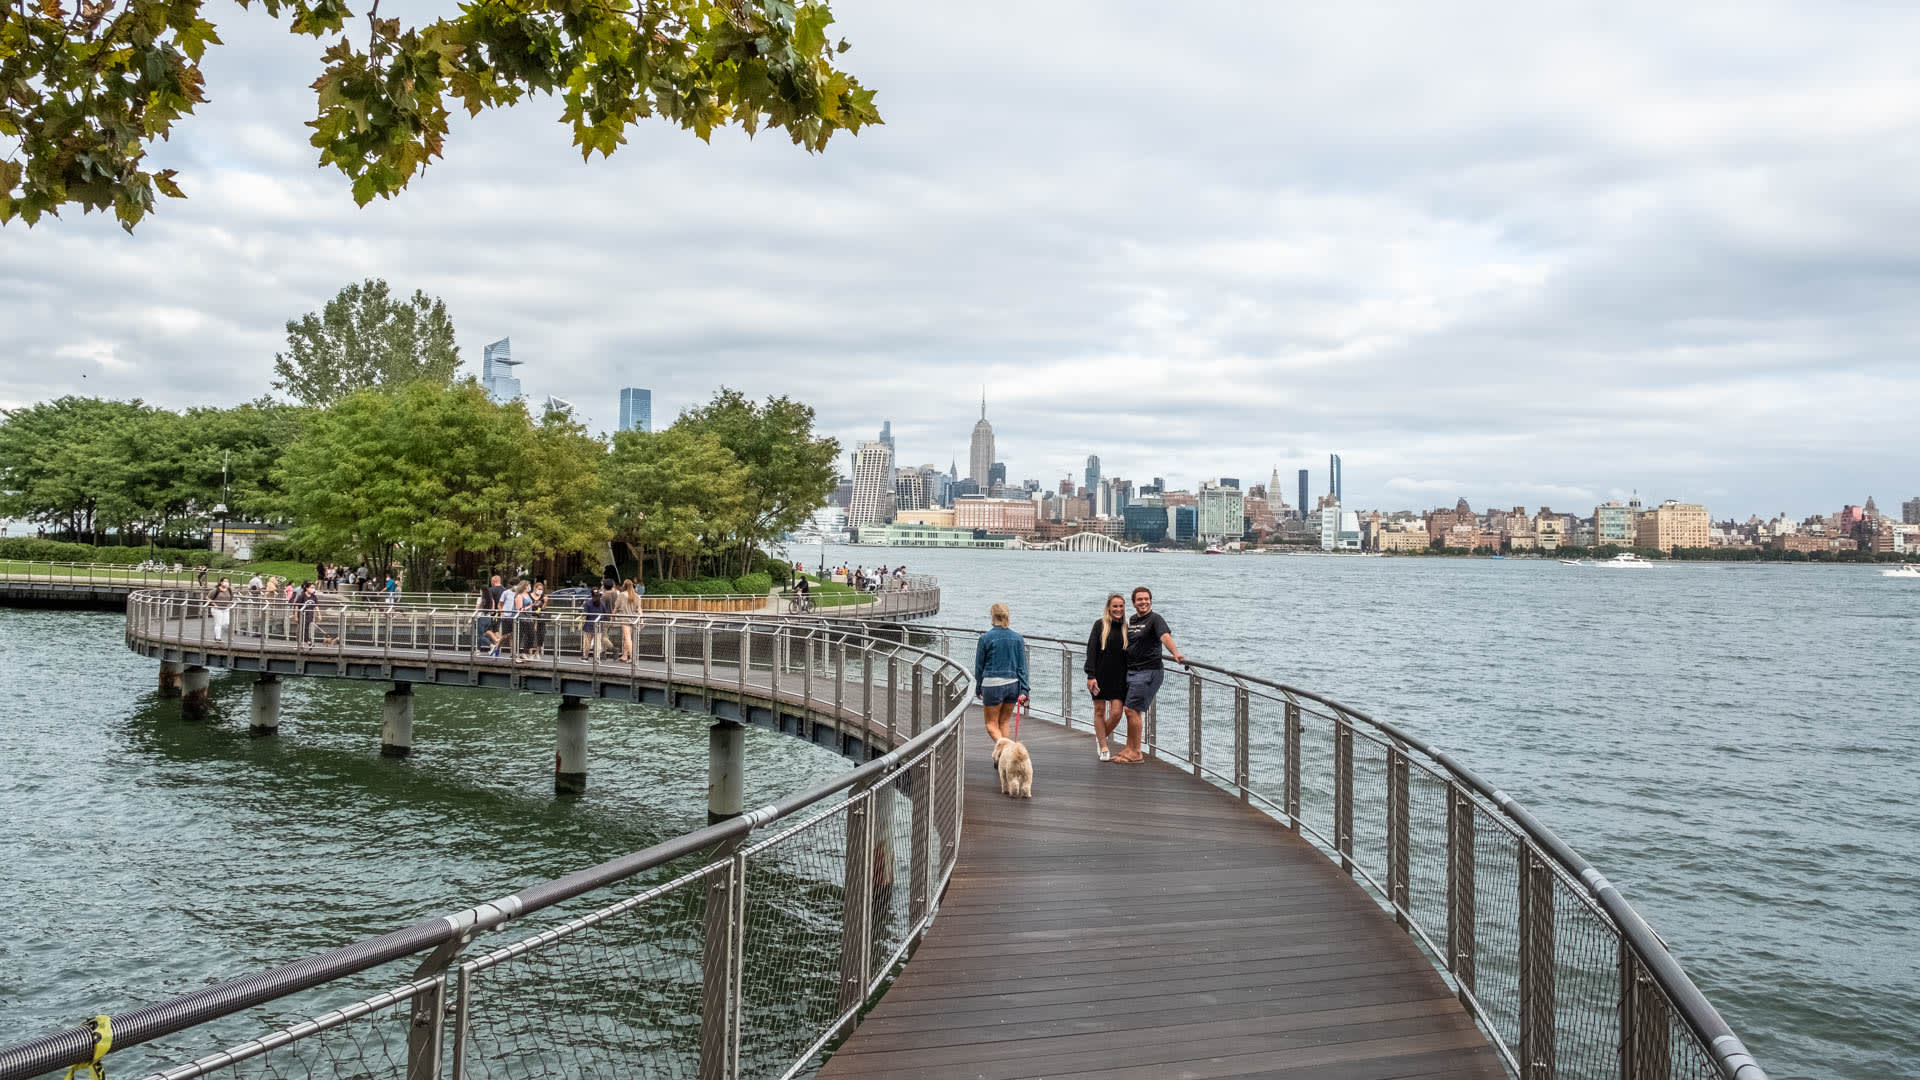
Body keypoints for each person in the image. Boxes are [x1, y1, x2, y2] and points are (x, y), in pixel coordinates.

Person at [1114, 585, 1189, 764]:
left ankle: (1137, 752)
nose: (1143, 602)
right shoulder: (1132, 620)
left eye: (1146, 599)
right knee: (1132, 712)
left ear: (1150, 601)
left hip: (1149, 671)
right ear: (1133, 603)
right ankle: (1129, 748)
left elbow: (1164, 637)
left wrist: (1175, 653)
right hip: (1132, 670)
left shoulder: (1155, 619)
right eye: (1140, 599)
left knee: (1131, 709)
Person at [973, 602, 1029, 749]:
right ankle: (1005, 757)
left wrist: (978, 687)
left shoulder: (985, 638)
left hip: (992, 684)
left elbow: (979, 666)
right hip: (1013, 684)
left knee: (991, 724)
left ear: (992, 616)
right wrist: (1024, 689)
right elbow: (1022, 666)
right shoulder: (1017, 638)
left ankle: (1007, 752)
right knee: (1004, 722)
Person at [1083, 592, 1129, 761]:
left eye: (1121, 606)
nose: (1118, 609)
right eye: (1115, 606)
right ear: (1109, 607)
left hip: (1119, 678)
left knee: (1117, 713)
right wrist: (1091, 675)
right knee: (1100, 711)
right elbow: (1091, 650)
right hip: (1099, 675)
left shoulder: (1127, 628)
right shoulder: (1099, 625)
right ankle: (1103, 746)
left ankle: (1100, 736)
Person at [612, 578, 640, 662]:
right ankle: (624, 656)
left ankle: (632, 657)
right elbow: (638, 608)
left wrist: (612, 617)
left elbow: (616, 607)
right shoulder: (636, 595)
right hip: (633, 618)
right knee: (625, 637)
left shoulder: (622, 595)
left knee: (627, 638)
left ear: (624, 586)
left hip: (624, 618)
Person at [581, 587, 608, 659]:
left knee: (587, 642)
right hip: (598, 626)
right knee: (597, 643)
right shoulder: (601, 604)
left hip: (588, 626)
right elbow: (605, 615)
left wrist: (582, 623)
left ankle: (585, 656)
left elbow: (585, 615)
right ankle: (597, 657)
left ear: (591, 595)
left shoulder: (587, 603)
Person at [208, 576, 235, 642]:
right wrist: (214, 604)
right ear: (221, 582)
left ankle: (217, 634)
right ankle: (218, 638)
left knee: (226, 623)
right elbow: (208, 597)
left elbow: (231, 598)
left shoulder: (229, 590)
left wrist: (230, 604)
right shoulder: (216, 590)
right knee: (218, 623)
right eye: (225, 581)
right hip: (217, 609)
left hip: (226, 609)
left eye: (227, 582)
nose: (226, 583)